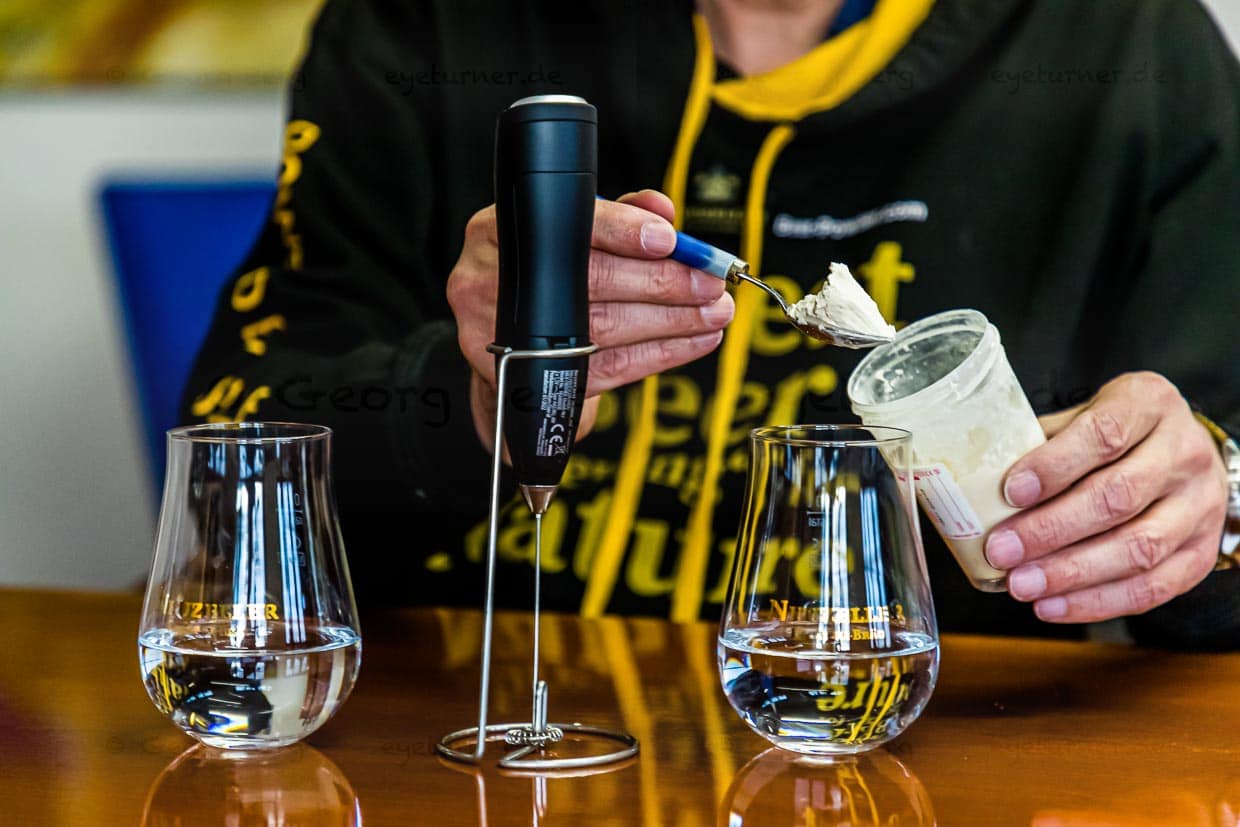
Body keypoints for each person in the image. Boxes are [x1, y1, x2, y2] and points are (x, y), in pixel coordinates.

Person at [183, 0, 1240, 648]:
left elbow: (1218, 482)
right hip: (465, 741)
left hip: (923, 761)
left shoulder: (1133, 52)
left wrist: (1203, 502)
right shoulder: (421, 26)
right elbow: (231, 474)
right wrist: (471, 397)